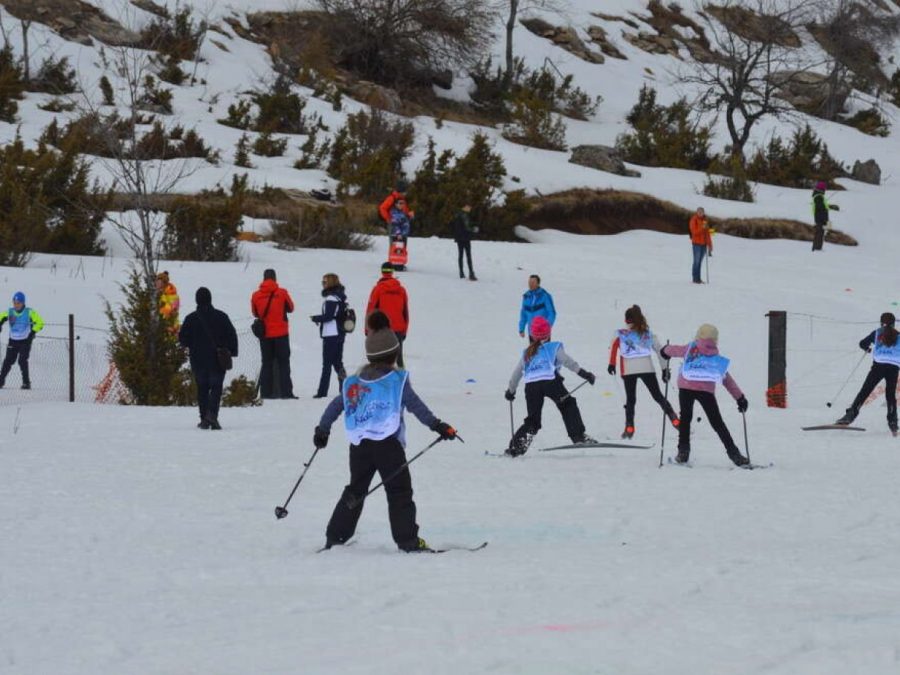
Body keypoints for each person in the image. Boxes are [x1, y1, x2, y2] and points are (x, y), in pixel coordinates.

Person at [313, 310, 458, 552]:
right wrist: (438, 425)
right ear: (394, 353)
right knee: (399, 491)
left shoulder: (356, 381)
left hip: (359, 446)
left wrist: (323, 429)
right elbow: (416, 406)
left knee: (356, 489)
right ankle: (408, 541)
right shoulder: (396, 380)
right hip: (388, 445)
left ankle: (335, 537)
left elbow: (337, 405)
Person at [504, 316, 596, 456]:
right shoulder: (554, 347)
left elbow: (516, 374)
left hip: (531, 387)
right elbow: (567, 361)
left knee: (533, 421)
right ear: (549, 333)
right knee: (568, 405)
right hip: (551, 382)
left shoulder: (527, 353)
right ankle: (578, 436)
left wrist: (511, 391)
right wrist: (584, 374)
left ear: (532, 335)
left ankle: (517, 447)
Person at [661, 324, 749, 466]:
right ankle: (734, 454)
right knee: (717, 422)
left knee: (685, 419)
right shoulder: (715, 356)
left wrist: (665, 350)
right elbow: (726, 379)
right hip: (706, 391)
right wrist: (740, 397)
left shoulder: (690, 348)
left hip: (686, 387)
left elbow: (675, 350)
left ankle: (683, 452)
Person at [607, 305, 679, 439]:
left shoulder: (620, 333)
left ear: (626, 319)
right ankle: (674, 418)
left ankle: (629, 427)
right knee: (658, 396)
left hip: (628, 370)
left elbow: (614, 347)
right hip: (647, 368)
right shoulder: (647, 333)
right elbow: (660, 351)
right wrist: (664, 369)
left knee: (631, 399)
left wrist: (611, 364)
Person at [178, 287, 238, 430]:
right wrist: (232, 352)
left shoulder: (190, 318)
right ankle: (212, 415)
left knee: (202, 389)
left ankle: (204, 417)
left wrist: (192, 344)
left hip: (198, 360)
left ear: (196, 300)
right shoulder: (222, 317)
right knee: (216, 388)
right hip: (217, 360)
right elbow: (232, 335)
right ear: (210, 299)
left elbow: (182, 339)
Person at [835, 312, 899, 433]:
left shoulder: (877, 333)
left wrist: (868, 349)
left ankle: (850, 416)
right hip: (894, 368)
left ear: (881, 322)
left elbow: (862, 343)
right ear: (893, 323)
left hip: (878, 367)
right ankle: (893, 422)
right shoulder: (899, 335)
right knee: (890, 395)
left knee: (865, 391)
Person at [251, 268, 297, 399]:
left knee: (266, 363)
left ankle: (266, 393)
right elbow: (291, 308)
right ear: (275, 278)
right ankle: (286, 392)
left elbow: (255, 313)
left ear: (264, 278)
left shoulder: (256, 295)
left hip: (265, 335)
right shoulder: (282, 293)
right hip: (281, 333)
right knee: (283, 363)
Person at [311, 273, 348, 399]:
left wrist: (316, 318)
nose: (323, 284)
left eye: (325, 282)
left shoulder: (331, 298)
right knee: (338, 363)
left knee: (327, 364)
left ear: (331, 283)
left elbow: (328, 317)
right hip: (340, 333)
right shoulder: (340, 297)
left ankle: (322, 392)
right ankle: (345, 387)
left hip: (331, 334)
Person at [365, 262, 409, 368]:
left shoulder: (378, 289)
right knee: (398, 359)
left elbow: (371, 310)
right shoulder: (401, 290)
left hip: (381, 328)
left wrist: (367, 329)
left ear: (382, 271)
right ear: (392, 271)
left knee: (379, 359)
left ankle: (380, 382)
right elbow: (405, 312)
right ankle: (403, 382)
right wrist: (404, 330)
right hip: (398, 328)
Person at [0, 292, 44, 390]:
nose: (16, 305)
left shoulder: (29, 312)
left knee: (22, 361)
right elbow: (0, 317)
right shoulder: (9, 312)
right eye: (14, 303)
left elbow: (40, 322)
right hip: (13, 340)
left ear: (23, 303)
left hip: (25, 340)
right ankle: (1, 381)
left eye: (18, 303)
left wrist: (32, 333)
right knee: (8, 361)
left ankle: (26, 383)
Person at [451, 204, 478, 281]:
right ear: (465, 207)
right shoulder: (464, 215)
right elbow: (467, 227)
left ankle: (461, 273)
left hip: (459, 238)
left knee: (460, 255)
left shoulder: (457, 214)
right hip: (465, 238)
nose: (470, 209)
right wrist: (474, 229)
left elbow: (453, 226)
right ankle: (471, 273)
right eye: (469, 207)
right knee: (468, 255)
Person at [811, 180, 838, 252]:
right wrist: (825, 220)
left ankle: (817, 248)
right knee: (819, 234)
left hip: (820, 218)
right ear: (822, 189)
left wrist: (830, 206)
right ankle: (817, 249)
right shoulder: (818, 197)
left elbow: (823, 206)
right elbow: (821, 208)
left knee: (821, 234)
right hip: (820, 218)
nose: (825, 190)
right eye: (824, 189)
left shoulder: (819, 196)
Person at [689, 207, 712, 284]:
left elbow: (707, 233)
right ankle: (695, 279)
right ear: (697, 212)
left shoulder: (705, 221)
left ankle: (698, 278)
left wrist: (710, 245)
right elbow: (694, 232)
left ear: (704, 213)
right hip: (696, 244)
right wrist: (702, 228)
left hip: (704, 244)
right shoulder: (694, 220)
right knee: (696, 261)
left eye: (702, 212)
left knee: (700, 262)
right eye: (699, 212)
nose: (700, 213)